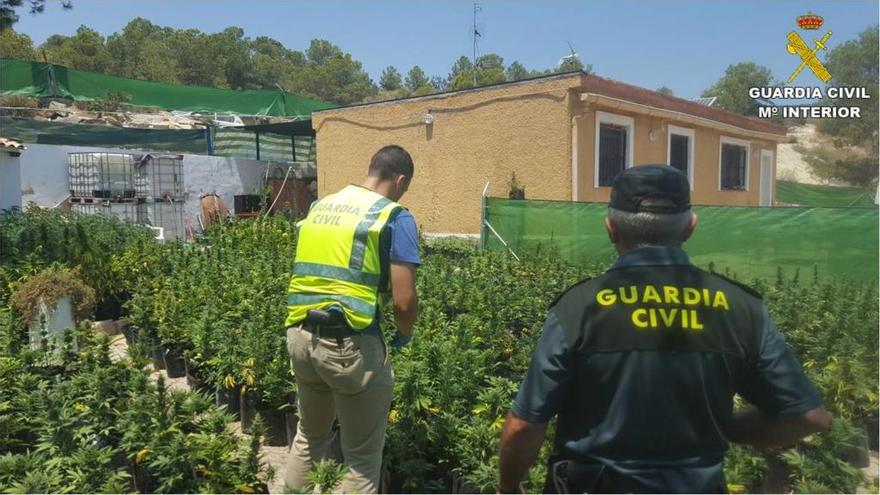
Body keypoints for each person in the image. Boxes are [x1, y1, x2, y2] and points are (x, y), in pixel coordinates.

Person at [497, 165, 831, 494]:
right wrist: (727, 427)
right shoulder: (741, 308)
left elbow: (525, 426)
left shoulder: (578, 308)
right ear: (690, 228)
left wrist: (508, 489)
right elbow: (807, 417)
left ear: (611, 228)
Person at [283, 145, 420, 494]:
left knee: (308, 437)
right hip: (349, 345)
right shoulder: (393, 216)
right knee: (360, 457)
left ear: (371, 168)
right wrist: (404, 334)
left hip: (300, 336)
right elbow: (404, 302)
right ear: (400, 180)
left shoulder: (321, 206)